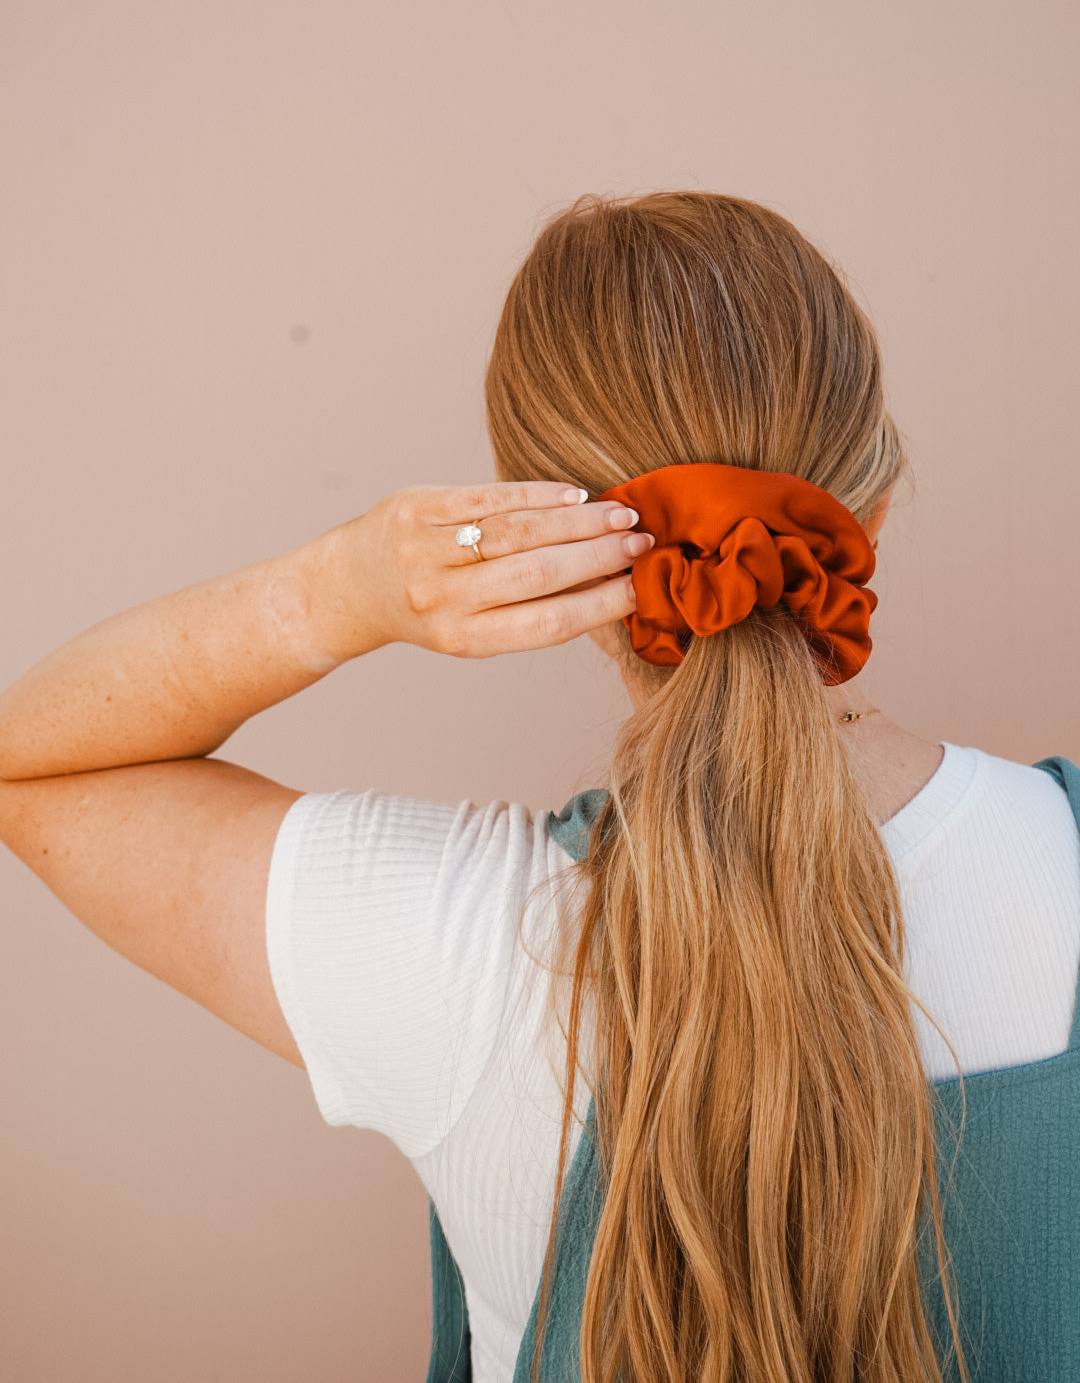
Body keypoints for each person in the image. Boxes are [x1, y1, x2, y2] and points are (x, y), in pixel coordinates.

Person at [0, 192, 1077, 1383]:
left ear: (540, 544)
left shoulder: (453, 938)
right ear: (868, 510)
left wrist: (340, 589)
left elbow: (35, 765)